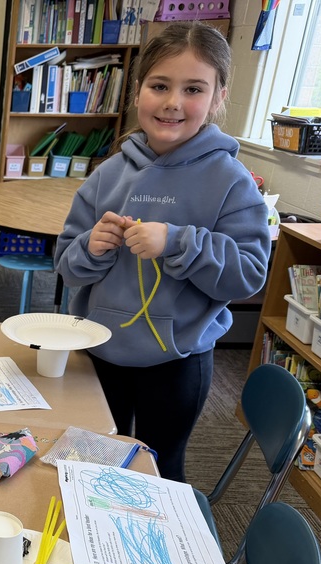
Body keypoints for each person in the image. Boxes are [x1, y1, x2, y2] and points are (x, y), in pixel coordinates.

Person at [54, 22, 269, 482]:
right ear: (137, 93)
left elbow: (248, 275)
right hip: (98, 351)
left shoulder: (231, 180)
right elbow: (67, 266)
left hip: (176, 364)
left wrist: (177, 241)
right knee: (93, 459)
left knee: (158, 470)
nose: (173, 102)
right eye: (159, 85)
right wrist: (90, 247)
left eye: (193, 89)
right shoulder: (108, 174)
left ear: (217, 99)